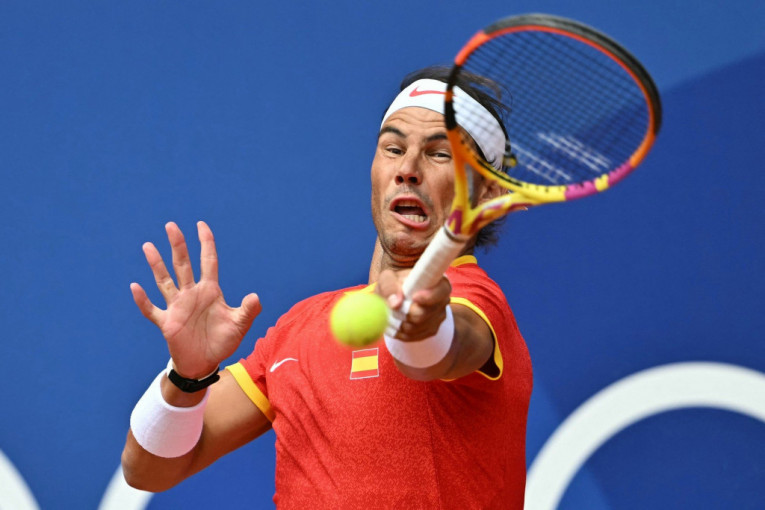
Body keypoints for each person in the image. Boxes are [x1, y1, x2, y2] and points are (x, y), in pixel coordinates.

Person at [121, 66, 533, 509]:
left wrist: (421, 323)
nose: (407, 169)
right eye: (393, 148)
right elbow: (148, 471)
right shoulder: (300, 327)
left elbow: (439, 351)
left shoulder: (474, 301)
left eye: (439, 154)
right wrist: (186, 376)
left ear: (487, 193)